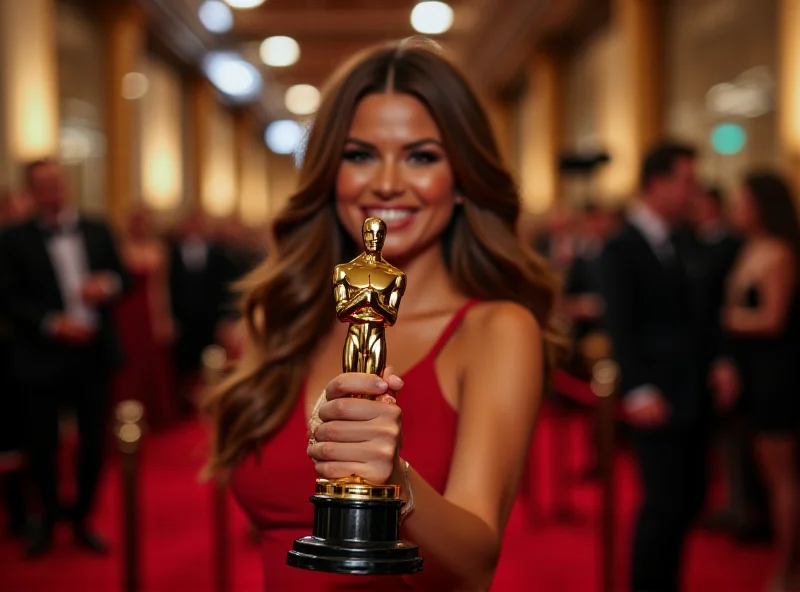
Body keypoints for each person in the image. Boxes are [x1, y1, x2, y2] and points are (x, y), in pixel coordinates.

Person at [202, 37, 560, 591]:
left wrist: (393, 482)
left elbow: (474, 567)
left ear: (463, 179)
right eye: (360, 154)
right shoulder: (288, 316)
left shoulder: (495, 328)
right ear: (329, 173)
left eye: (421, 155)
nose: (388, 181)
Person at [600, 142, 737, 592]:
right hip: (655, 393)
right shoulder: (621, 246)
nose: (692, 192)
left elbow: (703, 312)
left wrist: (718, 359)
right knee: (660, 505)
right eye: (686, 181)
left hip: (692, 390)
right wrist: (638, 388)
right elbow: (620, 323)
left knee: (687, 500)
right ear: (656, 183)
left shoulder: (684, 238)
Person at [0, 159, 129, 558]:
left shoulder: (97, 228)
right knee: (42, 443)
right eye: (43, 185)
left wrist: (105, 285)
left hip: (92, 354)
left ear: (66, 185)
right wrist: (52, 324)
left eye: (57, 182)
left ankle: (82, 518)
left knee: (94, 442)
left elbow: (121, 275)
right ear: (31, 191)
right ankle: (48, 518)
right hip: (41, 357)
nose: (52, 191)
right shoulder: (12, 238)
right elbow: (8, 298)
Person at [723, 171, 800, 592]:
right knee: (770, 474)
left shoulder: (779, 253)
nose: (737, 207)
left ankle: (788, 569)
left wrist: (728, 320)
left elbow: (773, 319)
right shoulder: (751, 248)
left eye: (743, 200)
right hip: (755, 373)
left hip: (778, 374)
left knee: (783, 476)